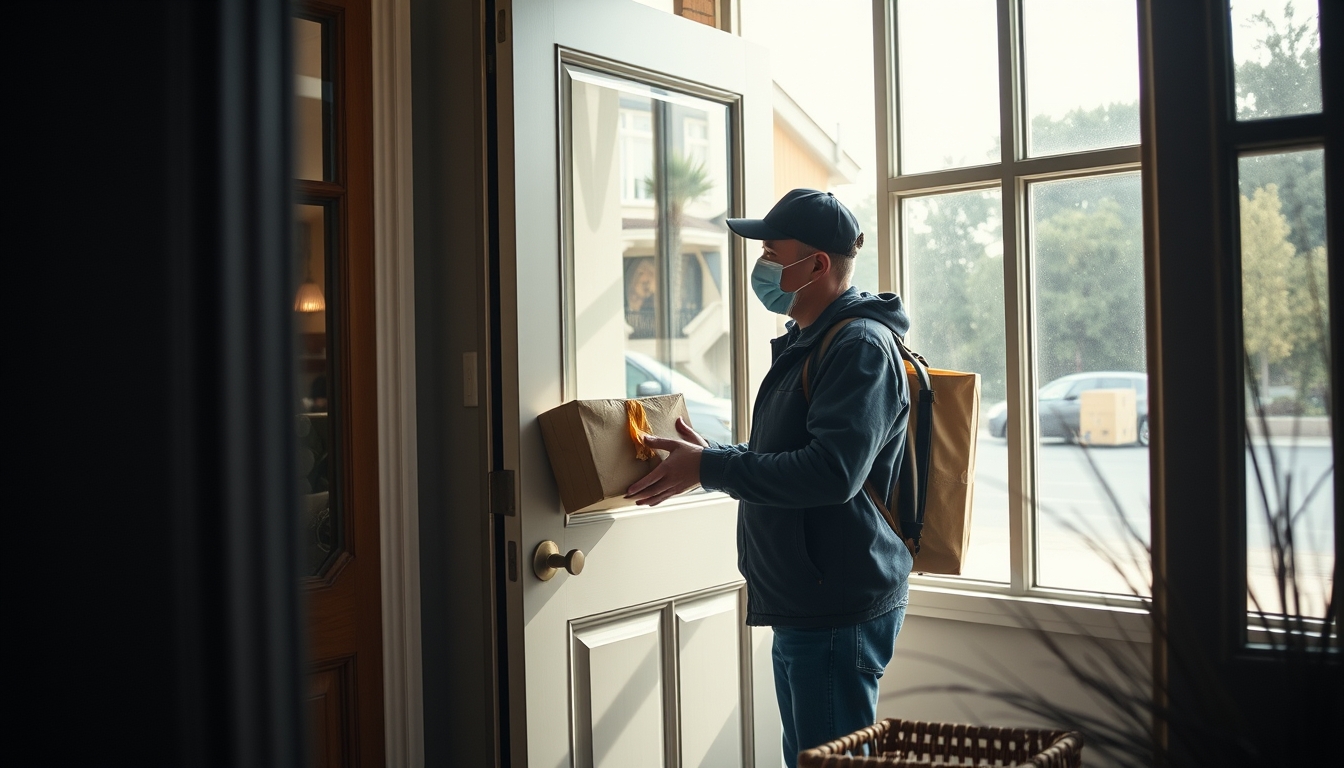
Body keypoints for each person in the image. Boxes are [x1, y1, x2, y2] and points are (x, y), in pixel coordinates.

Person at [625, 188, 913, 767]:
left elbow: (831, 473)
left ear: (818, 265)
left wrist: (710, 467)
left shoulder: (858, 346)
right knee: (807, 757)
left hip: (835, 604)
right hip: (808, 599)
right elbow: (791, 455)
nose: (761, 265)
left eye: (772, 254)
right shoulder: (815, 341)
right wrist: (711, 458)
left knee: (826, 761)